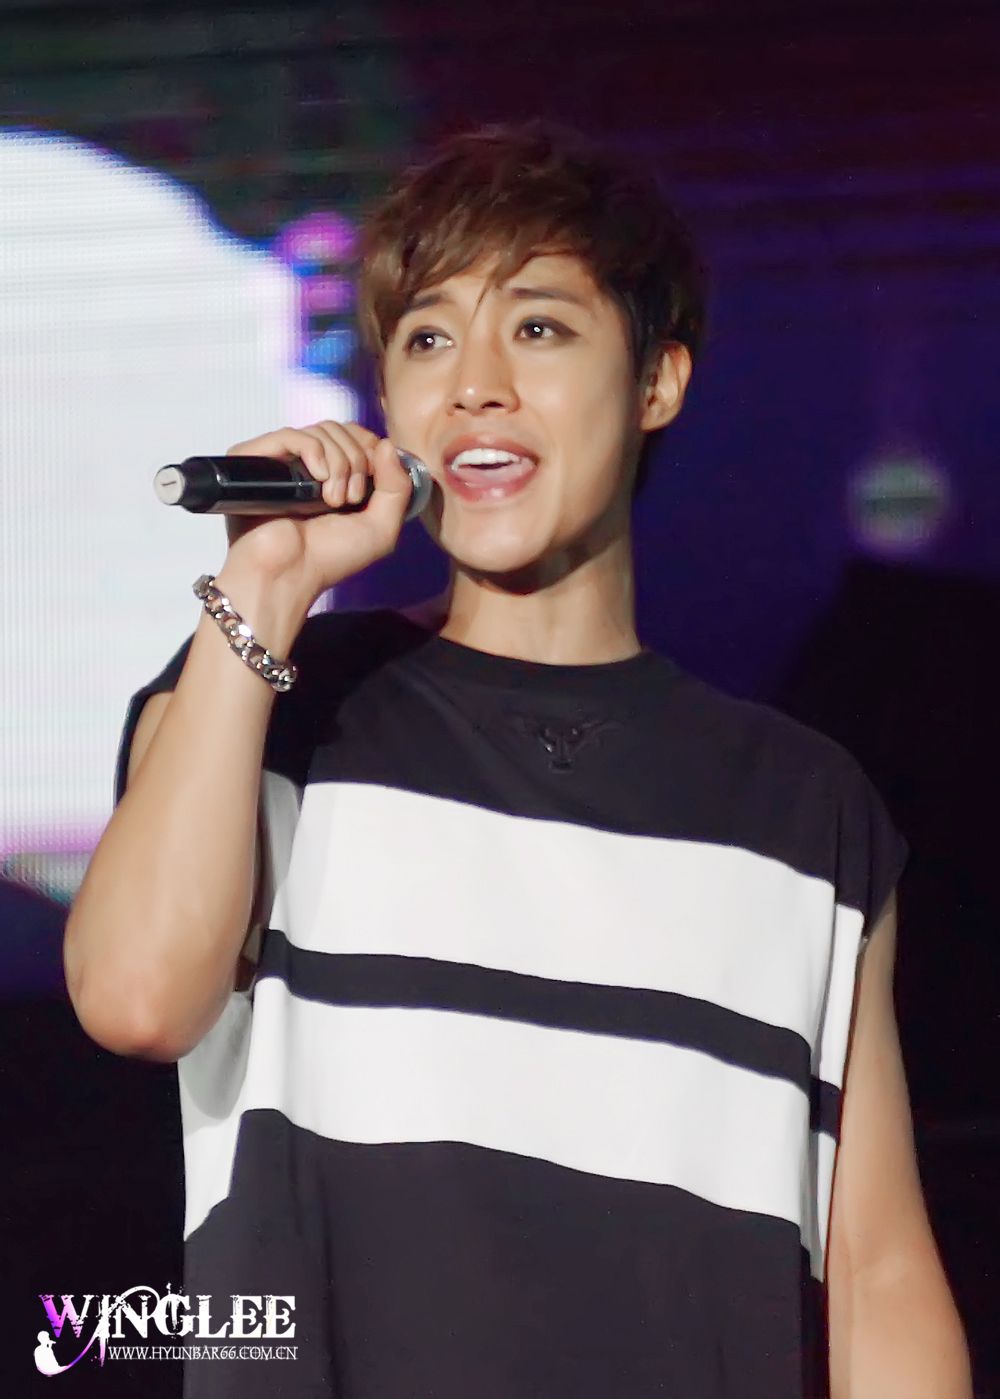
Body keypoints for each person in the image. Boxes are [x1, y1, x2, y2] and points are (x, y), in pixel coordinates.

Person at [64, 121, 971, 1398]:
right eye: (427, 339)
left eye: (537, 328)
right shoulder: (271, 704)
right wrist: (262, 588)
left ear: (656, 381)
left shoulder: (800, 806)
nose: (473, 385)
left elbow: (874, 1271)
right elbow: (137, 998)